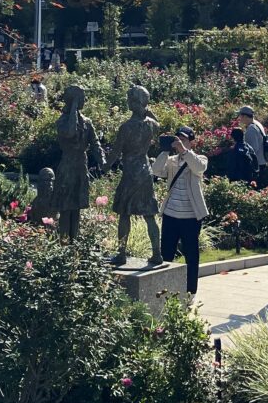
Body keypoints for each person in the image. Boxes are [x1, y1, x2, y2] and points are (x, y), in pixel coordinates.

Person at [108, 85, 163, 268]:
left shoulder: (126, 127)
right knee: (149, 214)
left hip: (131, 172)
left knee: (124, 213)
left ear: (133, 102)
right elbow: (158, 125)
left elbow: (116, 152)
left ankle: (121, 254)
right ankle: (157, 254)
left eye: (129, 99)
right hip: (145, 172)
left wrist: (104, 165)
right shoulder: (151, 124)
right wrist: (147, 110)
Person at [154, 125, 208, 299]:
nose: (180, 142)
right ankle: (164, 290)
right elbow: (156, 171)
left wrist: (184, 151)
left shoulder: (200, 158)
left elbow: (199, 168)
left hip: (191, 217)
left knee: (191, 255)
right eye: (178, 139)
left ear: (191, 142)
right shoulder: (170, 160)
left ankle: (191, 292)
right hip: (170, 215)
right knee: (166, 254)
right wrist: (164, 150)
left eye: (184, 139)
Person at [50, 84, 102, 239]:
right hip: (68, 164)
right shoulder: (62, 121)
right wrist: (73, 108)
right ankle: (64, 241)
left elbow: (95, 143)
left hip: (81, 165)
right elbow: (70, 133)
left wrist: (103, 161)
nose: (84, 101)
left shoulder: (87, 122)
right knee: (66, 207)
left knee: (77, 207)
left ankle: (75, 241)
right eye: (81, 98)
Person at [236, 106, 267, 173]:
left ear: (245, 116)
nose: (239, 118)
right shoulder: (257, 123)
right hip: (261, 161)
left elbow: (253, 149)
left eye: (240, 115)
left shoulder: (251, 129)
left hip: (257, 164)